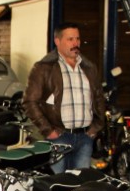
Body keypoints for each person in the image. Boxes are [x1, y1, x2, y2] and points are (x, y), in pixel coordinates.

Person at [24, 22, 105, 174]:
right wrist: (48, 131)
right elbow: (30, 101)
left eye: (78, 39)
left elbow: (99, 98)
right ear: (57, 41)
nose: (76, 43)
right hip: (58, 138)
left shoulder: (89, 68)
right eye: (70, 39)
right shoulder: (43, 68)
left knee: (79, 187)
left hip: (85, 138)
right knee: (57, 185)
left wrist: (96, 127)